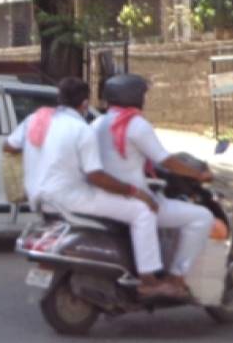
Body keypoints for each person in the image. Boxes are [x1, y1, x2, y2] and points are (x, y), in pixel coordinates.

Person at [89, 74, 216, 298]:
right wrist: (199, 174)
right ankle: (175, 278)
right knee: (202, 217)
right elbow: (165, 160)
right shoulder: (136, 125)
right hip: (133, 197)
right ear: (136, 97)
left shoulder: (98, 122)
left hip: (106, 196)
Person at [32, 82, 163, 290]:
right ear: (85, 104)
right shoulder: (82, 129)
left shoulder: (47, 124)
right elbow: (97, 177)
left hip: (44, 197)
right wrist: (136, 192)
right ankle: (149, 279)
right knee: (143, 211)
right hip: (73, 197)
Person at [3, 77, 91, 213]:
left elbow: (9, 146)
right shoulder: (80, 127)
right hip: (66, 198)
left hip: (35, 195)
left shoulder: (36, 118)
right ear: (85, 104)